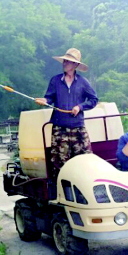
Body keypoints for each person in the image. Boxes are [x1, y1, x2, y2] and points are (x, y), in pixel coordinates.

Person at [34, 48, 99, 182]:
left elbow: (94, 100)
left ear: (75, 65)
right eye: (64, 61)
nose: (64, 63)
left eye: (68, 62)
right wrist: (44, 101)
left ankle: (85, 185)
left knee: (85, 158)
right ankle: (62, 191)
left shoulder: (83, 82)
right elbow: (49, 98)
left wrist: (80, 107)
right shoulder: (55, 81)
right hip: (59, 127)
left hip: (78, 127)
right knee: (59, 160)